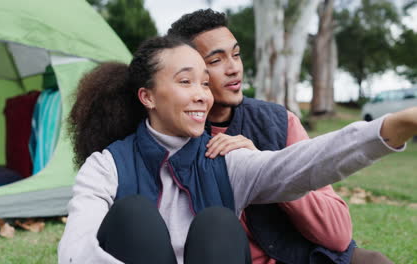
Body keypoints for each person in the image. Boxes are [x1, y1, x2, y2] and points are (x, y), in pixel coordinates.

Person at [58, 35, 416, 264]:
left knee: (218, 223)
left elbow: (305, 164)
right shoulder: (107, 166)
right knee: (133, 215)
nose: (202, 94)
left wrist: (394, 126)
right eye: (185, 82)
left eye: (203, 82)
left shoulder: (224, 157)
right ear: (147, 96)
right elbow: (76, 250)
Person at [167, 9, 393, 264]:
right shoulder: (171, 134)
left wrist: (271, 169)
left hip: (297, 256)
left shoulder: (279, 123)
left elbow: (338, 235)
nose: (234, 69)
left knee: (374, 261)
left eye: (236, 55)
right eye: (216, 61)